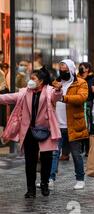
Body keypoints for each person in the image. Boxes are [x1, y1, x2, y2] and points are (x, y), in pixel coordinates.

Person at [0, 67, 61, 198]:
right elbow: (9, 97)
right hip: (28, 131)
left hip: (46, 130)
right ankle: (31, 189)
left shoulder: (50, 91)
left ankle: (44, 184)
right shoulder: (24, 92)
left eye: (33, 79)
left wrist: (59, 90)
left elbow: (57, 97)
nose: (30, 81)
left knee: (46, 160)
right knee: (30, 161)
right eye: (30, 78)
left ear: (41, 81)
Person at [50, 59, 89, 190]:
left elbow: (81, 98)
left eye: (65, 70)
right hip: (57, 124)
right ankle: (50, 179)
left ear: (71, 70)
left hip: (73, 125)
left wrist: (63, 98)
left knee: (76, 154)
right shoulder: (56, 83)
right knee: (54, 153)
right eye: (61, 70)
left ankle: (80, 179)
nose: (62, 72)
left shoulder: (81, 83)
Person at [78, 62, 94, 138]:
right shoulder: (77, 78)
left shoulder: (93, 79)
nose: (80, 69)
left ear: (87, 69)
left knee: (89, 126)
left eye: (82, 67)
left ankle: (89, 145)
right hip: (78, 105)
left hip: (89, 106)